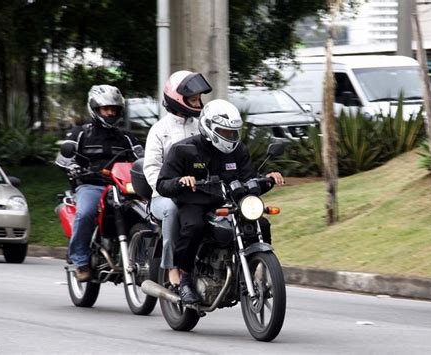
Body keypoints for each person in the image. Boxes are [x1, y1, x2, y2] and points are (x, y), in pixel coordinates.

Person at [156, 99, 284, 304]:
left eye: (232, 133)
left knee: (261, 223)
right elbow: (162, 184)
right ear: (209, 127)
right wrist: (181, 181)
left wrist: (268, 179)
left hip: (229, 203)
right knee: (194, 227)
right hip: (195, 202)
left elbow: (247, 179)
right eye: (225, 132)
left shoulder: (238, 150)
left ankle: (255, 271)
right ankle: (186, 278)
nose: (230, 137)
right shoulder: (184, 149)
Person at [56, 85, 144, 282]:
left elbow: (143, 161)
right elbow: (62, 159)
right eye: (106, 109)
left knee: (146, 215)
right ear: (95, 109)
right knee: (85, 212)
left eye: (114, 109)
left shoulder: (127, 138)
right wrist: (73, 168)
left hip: (122, 187)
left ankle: (143, 260)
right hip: (91, 186)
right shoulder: (80, 133)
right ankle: (80, 261)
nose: (110, 112)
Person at [143, 71, 212, 287]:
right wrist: (170, 188)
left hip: (199, 193)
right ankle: (173, 266)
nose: (198, 103)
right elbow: (152, 168)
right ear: (178, 99)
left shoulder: (201, 126)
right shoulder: (159, 130)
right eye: (193, 99)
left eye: (199, 99)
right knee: (172, 210)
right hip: (165, 196)